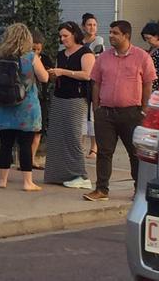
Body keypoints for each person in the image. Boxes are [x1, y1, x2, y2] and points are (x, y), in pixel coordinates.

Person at [83, 20, 156, 201]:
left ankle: (138, 191)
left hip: (131, 114)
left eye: (115, 33)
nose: (111, 36)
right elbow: (96, 83)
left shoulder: (142, 57)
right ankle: (101, 190)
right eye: (110, 32)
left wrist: (144, 109)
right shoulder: (104, 58)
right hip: (105, 113)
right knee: (104, 152)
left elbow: (148, 84)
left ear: (126, 35)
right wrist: (96, 108)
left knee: (135, 153)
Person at [0, 23, 48, 191]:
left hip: (3, 105)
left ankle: (2, 180)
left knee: (5, 144)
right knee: (25, 144)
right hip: (26, 106)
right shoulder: (30, 57)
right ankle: (27, 182)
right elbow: (44, 78)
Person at [44, 22, 95, 189]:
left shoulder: (85, 52)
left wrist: (63, 72)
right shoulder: (61, 54)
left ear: (74, 34)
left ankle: (80, 174)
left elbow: (88, 75)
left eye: (66, 35)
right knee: (57, 135)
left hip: (76, 98)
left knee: (73, 136)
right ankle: (59, 173)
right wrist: (53, 74)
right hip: (60, 96)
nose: (63, 39)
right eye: (61, 36)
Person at [81, 13, 104, 160]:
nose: (92, 27)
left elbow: (97, 59)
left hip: (94, 80)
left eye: (94, 25)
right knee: (82, 112)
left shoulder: (98, 41)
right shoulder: (80, 41)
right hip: (82, 80)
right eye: (89, 24)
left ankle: (94, 147)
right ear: (83, 26)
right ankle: (80, 145)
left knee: (93, 111)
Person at [30, 30, 54, 170]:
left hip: (41, 97)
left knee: (38, 130)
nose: (36, 52)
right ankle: (25, 159)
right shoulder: (25, 58)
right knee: (27, 131)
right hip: (28, 97)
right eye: (33, 49)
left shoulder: (44, 59)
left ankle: (32, 158)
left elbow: (49, 76)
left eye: (38, 49)